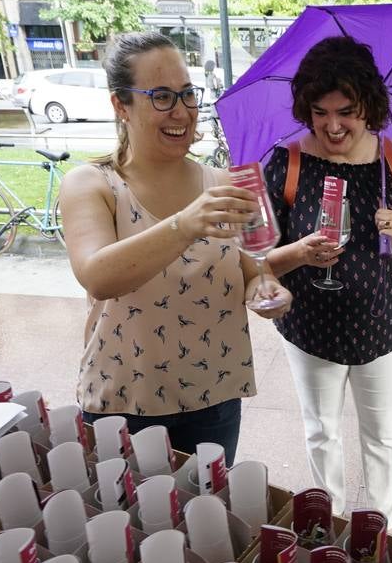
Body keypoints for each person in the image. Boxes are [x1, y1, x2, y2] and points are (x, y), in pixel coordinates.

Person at [61, 32, 292, 466]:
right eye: (162, 97)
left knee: (206, 504)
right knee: (124, 509)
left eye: (187, 94)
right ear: (120, 105)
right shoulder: (93, 183)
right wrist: (185, 224)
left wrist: (268, 291)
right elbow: (97, 276)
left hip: (214, 395)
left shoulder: (222, 183)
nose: (182, 111)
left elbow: (250, 273)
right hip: (123, 399)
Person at [263, 36, 392, 531]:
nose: (332, 126)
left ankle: (379, 536)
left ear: (369, 105)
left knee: (381, 436)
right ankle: (328, 527)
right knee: (321, 432)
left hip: (381, 327)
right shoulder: (288, 162)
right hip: (310, 329)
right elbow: (258, 260)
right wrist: (300, 254)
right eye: (319, 112)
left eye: (346, 112)